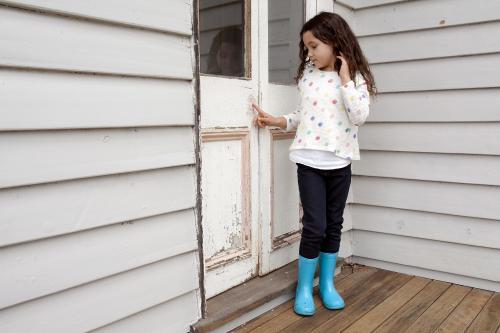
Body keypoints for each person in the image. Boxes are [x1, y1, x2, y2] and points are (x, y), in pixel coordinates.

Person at [252, 12, 376, 316]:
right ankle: (305, 287)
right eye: (306, 47)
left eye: (314, 46)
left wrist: (345, 79)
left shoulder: (355, 78)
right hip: (309, 161)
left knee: (333, 225)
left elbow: (359, 116)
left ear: (335, 43)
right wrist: (279, 121)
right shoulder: (308, 74)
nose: (309, 53)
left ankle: (327, 285)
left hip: (339, 163)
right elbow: (303, 115)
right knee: (315, 226)